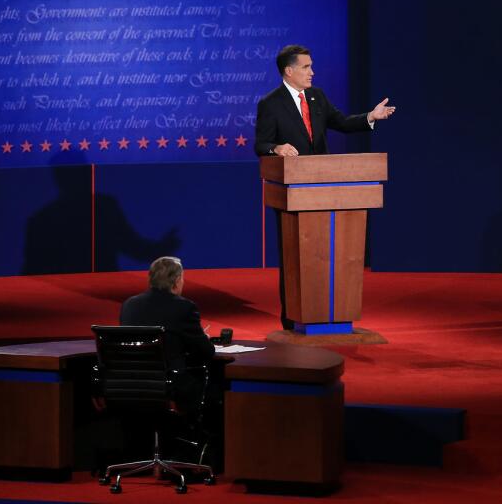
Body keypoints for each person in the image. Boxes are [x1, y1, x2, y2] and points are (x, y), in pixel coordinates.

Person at [255, 44, 395, 329]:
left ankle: (330, 315)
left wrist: (371, 117)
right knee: (295, 257)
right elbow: (261, 144)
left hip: (324, 188)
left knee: (329, 255)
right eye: (306, 67)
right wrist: (277, 147)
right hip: (293, 192)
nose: (312, 72)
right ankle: (293, 319)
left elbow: (342, 122)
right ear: (289, 71)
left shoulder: (317, 98)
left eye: (311, 66)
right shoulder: (270, 103)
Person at [119, 257, 221, 451]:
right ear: (176, 281)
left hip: (129, 385)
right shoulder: (184, 307)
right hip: (170, 387)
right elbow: (206, 352)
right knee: (214, 387)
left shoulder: (129, 305)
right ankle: (202, 452)